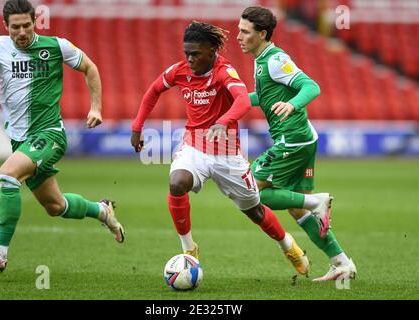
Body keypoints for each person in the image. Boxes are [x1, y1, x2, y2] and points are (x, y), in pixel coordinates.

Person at [131, 21, 310, 276]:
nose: (190, 59)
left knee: (255, 211)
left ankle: (288, 245)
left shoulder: (225, 71)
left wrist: (223, 121)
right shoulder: (179, 70)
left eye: (196, 54)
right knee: (177, 182)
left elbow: (241, 101)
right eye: (187, 53)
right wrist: (137, 127)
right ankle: (189, 249)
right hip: (194, 145)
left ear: (213, 50)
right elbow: (153, 90)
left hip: (227, 152)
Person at [0, 0, 124, 272]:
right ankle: (102, 211)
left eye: (26, 25)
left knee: (7, 173)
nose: (21, 32)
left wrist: (96, 107)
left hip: (49, 133)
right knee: (55, 206)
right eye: (15, 27)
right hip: (20, 139)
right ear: (6, 27)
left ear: (35, 22)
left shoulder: (56, 46)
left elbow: (91, 68)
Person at [237, 6, 356, 281]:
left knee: (251, 192)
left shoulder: (276, 59)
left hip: (292, 141)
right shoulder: (262, 59)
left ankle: (317, 201)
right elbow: (265, 97)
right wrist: (236, 100)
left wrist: (291, 105)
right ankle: (341, 263)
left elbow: (311, 86)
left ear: (262, 34)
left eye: (245, 31)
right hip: (303, 139)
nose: (238, 36)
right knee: (295, 206)